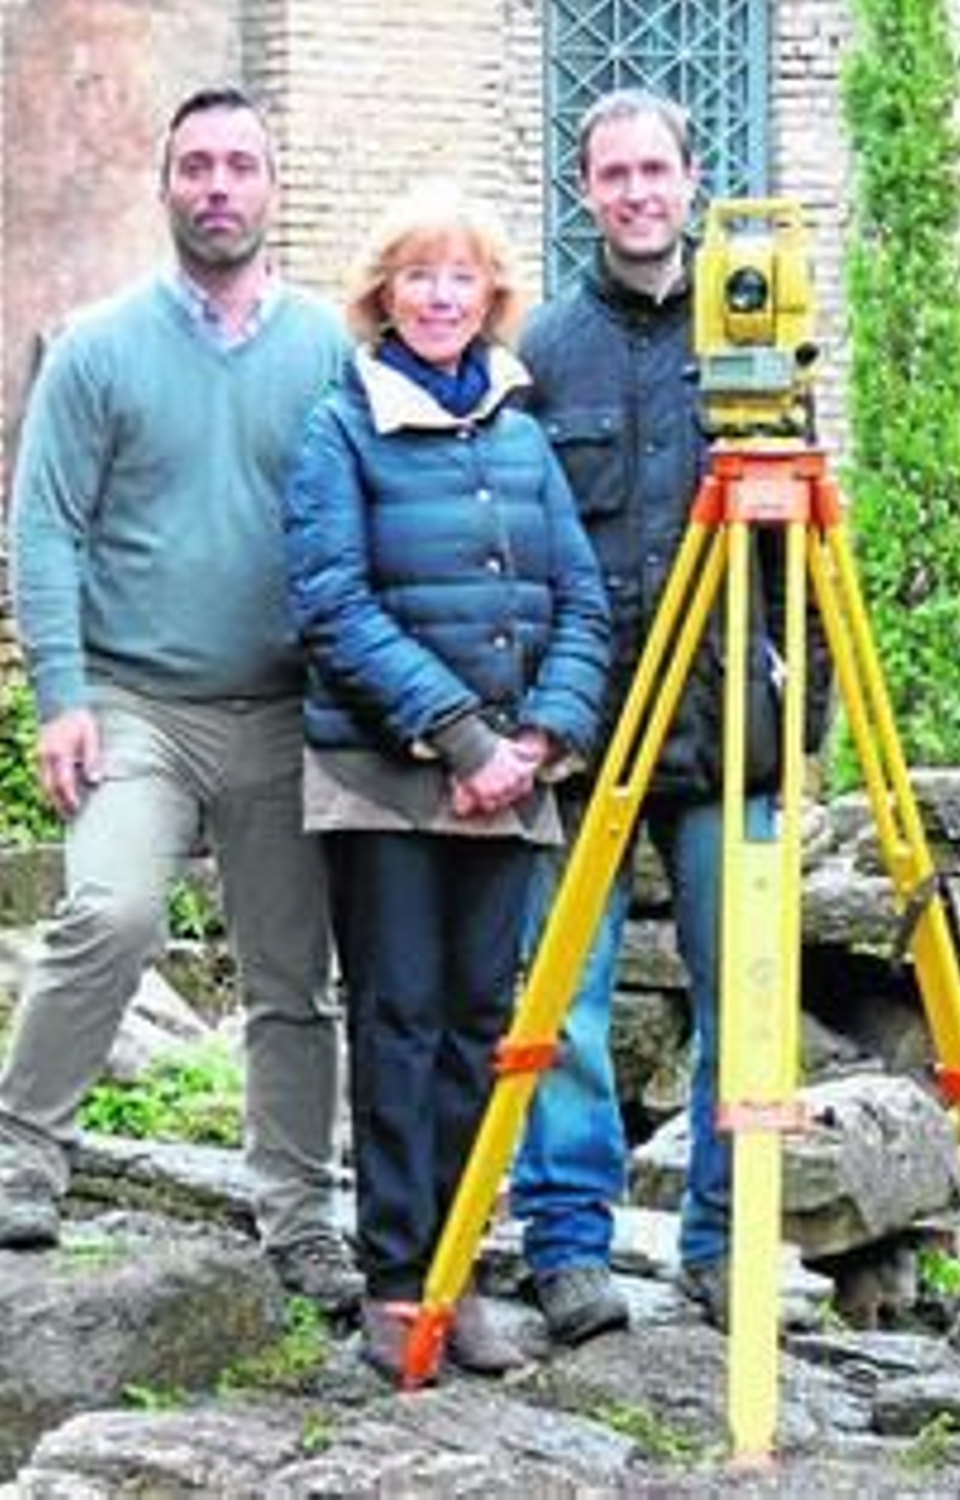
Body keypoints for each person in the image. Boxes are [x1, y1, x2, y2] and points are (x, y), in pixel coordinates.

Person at [0, 85, 361, 1316]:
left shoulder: (326, 350)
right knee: (109, 912)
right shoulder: (98, 347)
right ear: (164, 187)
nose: (217, 187)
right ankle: (25, 1156)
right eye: (195, 165)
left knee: (293, 977)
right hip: (135, 702)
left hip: (284, 710)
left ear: (272, 187)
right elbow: (45, 528)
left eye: (239, 165)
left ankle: (301, 1216)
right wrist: (61, 696)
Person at [506, 88, 829, 1344]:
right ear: (585, 189)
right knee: (566, 1002)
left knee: (741, 994)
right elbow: (518, 549)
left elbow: (801, 549)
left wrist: (803, 709)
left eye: (656, 170)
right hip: (583, 729)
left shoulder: (758, 331)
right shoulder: (544, 350)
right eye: (615, 174)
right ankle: (568, 1245)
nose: (638, 193)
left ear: (693, 181)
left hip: (725, 725)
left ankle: (725, 1241)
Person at [284, 181, 610, 1381]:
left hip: (510, 780)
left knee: (481, 1029)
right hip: (384, 778)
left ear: (490, 296)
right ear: (384, 295)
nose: (438, 297)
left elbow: (581, 601)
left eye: (460, 277)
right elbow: (332, 601)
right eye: (417, 276)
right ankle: (394, 1284)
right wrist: (464, 741)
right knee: (400, 1021)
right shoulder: (340, 427)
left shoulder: (520, 432)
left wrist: (541, 739)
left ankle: (460, 1274)